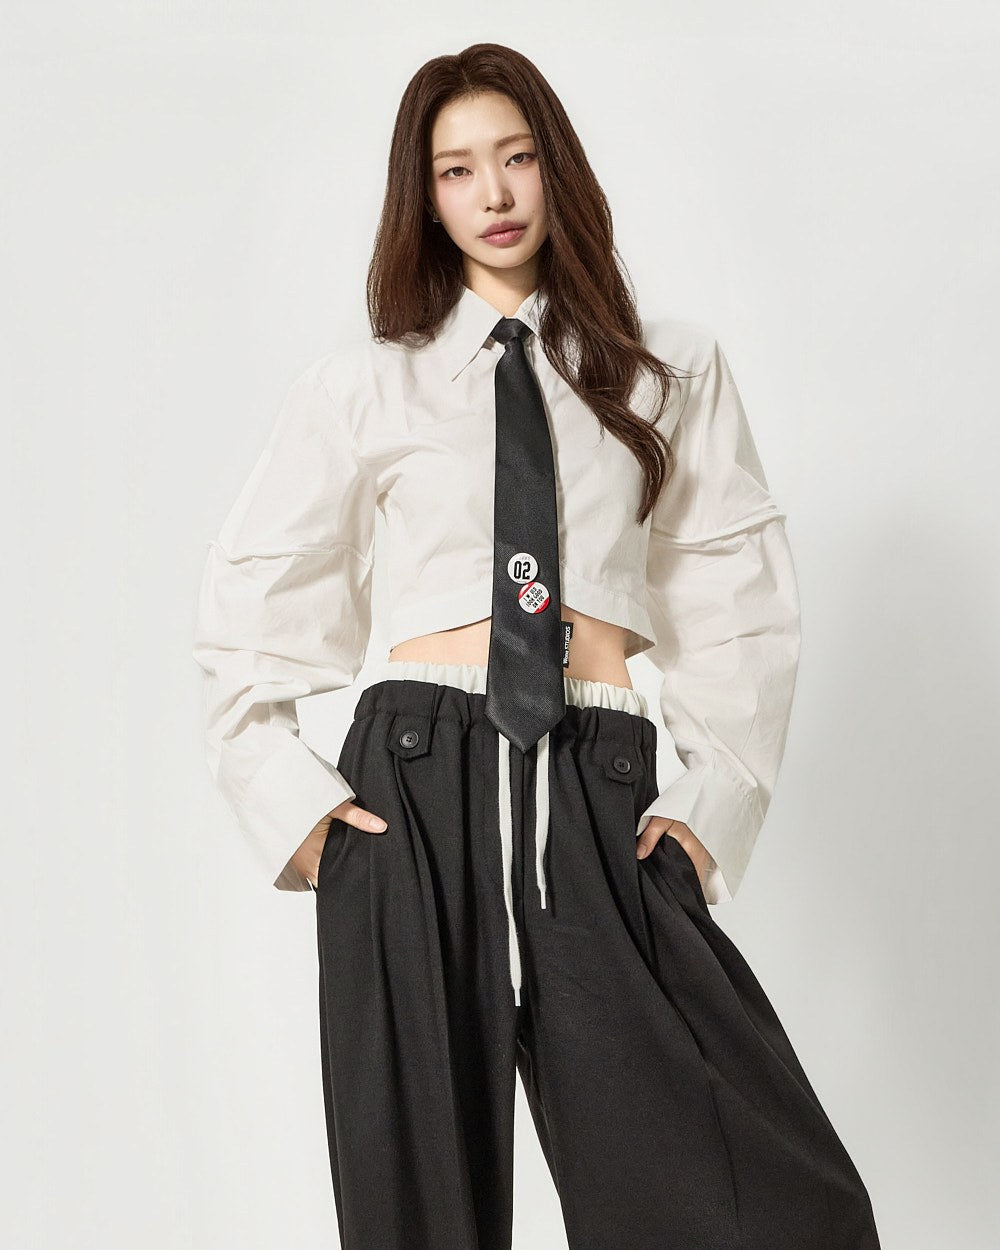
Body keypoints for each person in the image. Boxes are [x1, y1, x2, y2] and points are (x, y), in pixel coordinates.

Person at [193, 41, 882, 1250]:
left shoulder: (667, 366)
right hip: (412, 786)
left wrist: (711, 803)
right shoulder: (367, 385)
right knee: (420, 1212)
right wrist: (299, 814)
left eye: (515, 158)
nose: (494, 193)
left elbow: (736, 596)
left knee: (760, 1207)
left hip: (598, 783)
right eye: (457, 170)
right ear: (425, 196)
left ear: (556, 168)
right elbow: (252, 600)